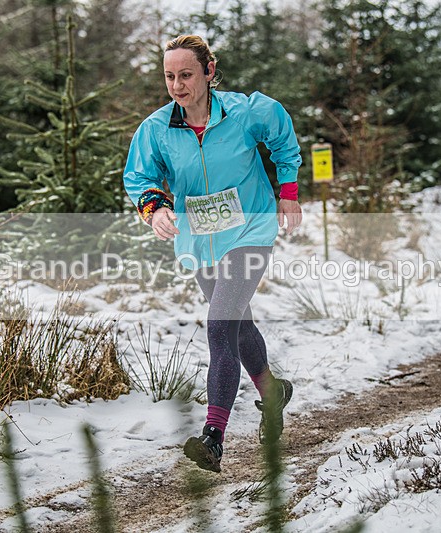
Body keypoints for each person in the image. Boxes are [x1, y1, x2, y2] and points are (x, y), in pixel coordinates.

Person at [123, 35, 302, 473]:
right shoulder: (157, 129)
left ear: (209, 71)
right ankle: (272, 392)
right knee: (238, 326)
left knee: (220, 324)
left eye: (186, 74)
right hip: (201, 238)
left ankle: (213, 437)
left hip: (250, 228)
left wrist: (290, 191)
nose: (178, 85)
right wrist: (154, 208)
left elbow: (281, 135)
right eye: (170, 76)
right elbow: (139, 175)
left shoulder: (245, 112)